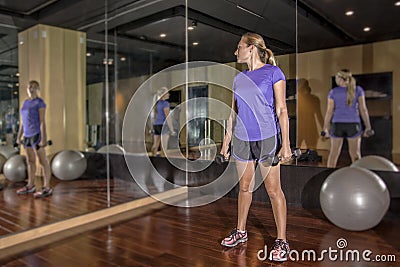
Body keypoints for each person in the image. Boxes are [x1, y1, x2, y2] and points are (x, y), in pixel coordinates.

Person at [220, 32, 292, 262]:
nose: (235, 51)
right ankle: (240, 231)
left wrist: (286, 144)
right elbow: (234, 112)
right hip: (242, 139)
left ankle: (281, 240)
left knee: (273, 190)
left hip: (267, 138)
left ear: (251, 48)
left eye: (238, 47)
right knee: (244, 187)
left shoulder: (273, 73)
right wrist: (226, 140)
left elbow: (282, 110)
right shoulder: (238, 78)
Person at [322, 69, 372, 168]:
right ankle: (358, 178)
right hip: (353, 125)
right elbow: (363, 110)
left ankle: (327, 177)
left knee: (334, 154)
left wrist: (325, 128)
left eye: (336, 77)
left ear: (340, 79)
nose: (336, 80)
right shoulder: (358, 90)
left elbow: (329, 111)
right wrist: (368, 127)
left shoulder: (333, 92)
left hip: (337, 125)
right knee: (355, 155)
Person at [16, 80, 52, 198]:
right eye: (30, 87)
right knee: (30, 161)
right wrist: (19, 136)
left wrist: (43, 138)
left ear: (38, 89)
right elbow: (23, 122)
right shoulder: (25, 103)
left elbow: (42, 121)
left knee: (43, 162)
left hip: (36, 134)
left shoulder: (40, 103)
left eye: (35, 87)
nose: (32, 89)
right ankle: (30, 185)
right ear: (27, 88)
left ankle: (47, 187)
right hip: (26, 135)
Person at [151, 87, 176, 156]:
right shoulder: (166, 103)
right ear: (164, 94)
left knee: (155, 145)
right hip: (163, 125)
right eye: (167, 93)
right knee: (164, 148)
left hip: (156, 125)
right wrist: (171, 129)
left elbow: (154, 116)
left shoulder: (157, 103)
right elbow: (168, 117)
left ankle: (152, 159)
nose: (169, 94)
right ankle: (163, 164)